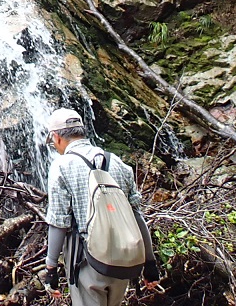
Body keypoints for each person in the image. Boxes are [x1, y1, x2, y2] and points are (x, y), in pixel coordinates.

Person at [41, 107, 159, 306]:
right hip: (123, 260)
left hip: (88, 261)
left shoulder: (61, 167)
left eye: (53, 141)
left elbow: (59, 223)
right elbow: (137, 217)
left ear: (57, 137)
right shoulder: (118, 163)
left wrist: (51, 268)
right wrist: (150, 262)